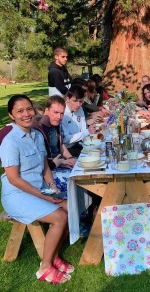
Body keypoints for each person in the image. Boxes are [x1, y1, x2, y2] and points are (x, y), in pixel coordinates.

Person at [0, 95, 73, 284]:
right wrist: (45, 196)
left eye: (29, 109)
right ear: (11, 116)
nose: (26, 114)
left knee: (70, 209)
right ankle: (45, 267)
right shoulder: (10, 140)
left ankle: (54, 256)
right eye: (20, 111)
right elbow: (14, 179)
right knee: (60, 217)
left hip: (39, 189)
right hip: (17, 195)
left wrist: (53, 188)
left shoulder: (38, 135)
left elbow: (45, 168)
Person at [35, 95, 76, 193]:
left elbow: (61, 145)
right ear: (47, 110)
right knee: (74, 181)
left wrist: (70, 159)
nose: (59, 117)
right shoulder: (38, 129)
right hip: (49, 170)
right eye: (56, 112)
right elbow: (40, 160)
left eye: (62, 113)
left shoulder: (56, 125)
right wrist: (60, 162)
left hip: (61, 163)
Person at [61, 85, 96, 157]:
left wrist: (89, 142)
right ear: (67, 99)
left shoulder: (80, 109)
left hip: (79, 143)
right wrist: (87, 132)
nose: (78, 104)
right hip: (67, 149)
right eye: (74, 101)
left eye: (81, 101)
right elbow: (67, 139)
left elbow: (83, 128)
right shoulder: (63, 113)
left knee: (96, 150)